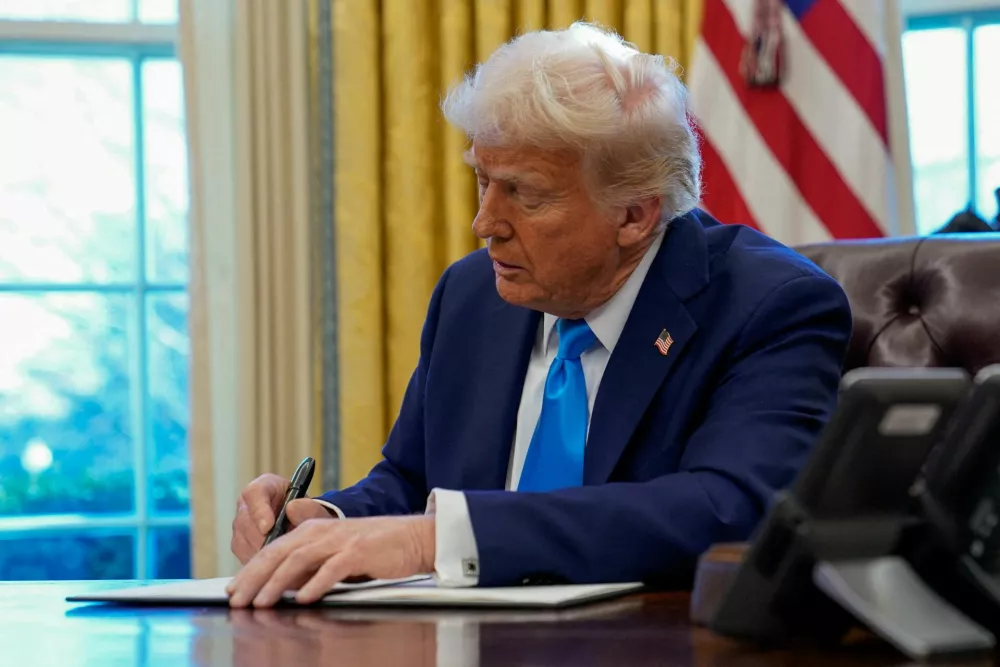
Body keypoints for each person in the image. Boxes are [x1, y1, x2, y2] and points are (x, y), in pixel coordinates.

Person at [227, 22, 852, 608]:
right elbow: (411, 477)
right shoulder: (472, 295)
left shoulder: (769, 307)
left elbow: (730, 507)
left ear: (634, 215)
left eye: (524, 194)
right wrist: (328, 520)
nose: (484, 226)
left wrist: (430, 541)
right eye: (483, 181)